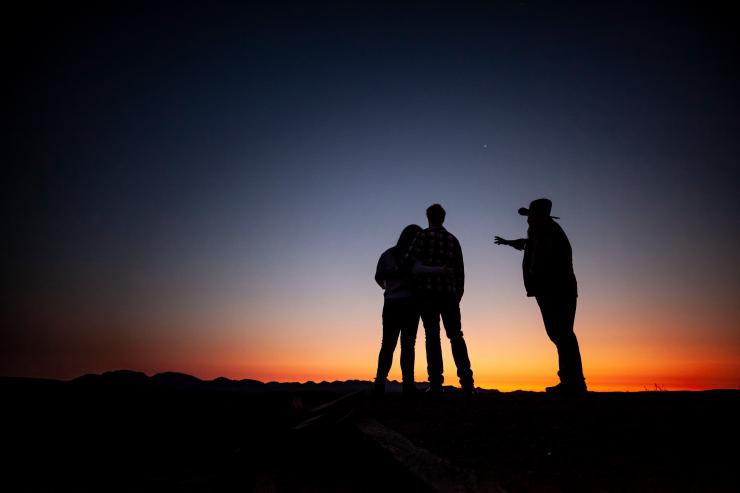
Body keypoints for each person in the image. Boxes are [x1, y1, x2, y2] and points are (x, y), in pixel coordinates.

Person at [494, 198, 587, 395]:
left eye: (530, 216)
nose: (527, 220)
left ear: (537, 216)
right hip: (556, 289)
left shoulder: (546, 231)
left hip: (555, 290)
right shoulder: (544, 230)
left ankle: (574, 382)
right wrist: (510, 242)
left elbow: (543, 255)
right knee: (561, 334)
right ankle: (571, 381)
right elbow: (529, 245)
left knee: (562, 333)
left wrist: (536, 275)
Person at [404, 204, 475, 394]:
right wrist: (456, 294)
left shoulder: (422, 237)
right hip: (449, 295)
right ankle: (467, 382)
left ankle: (436, 383)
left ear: (428, 217)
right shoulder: (453, 240)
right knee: (456, 335)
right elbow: (460, 272)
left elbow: (409, 262)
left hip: (427, 295)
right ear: (443, 218)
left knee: (432, 336)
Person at [373, 224, 425, 396]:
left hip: (392, 304)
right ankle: (408, 386)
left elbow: (378, 277)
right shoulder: (418, 257)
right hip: (411, 304)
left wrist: (388, 286)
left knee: (388, 345)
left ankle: (379, 384)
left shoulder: (387, 254)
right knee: (408, 346)